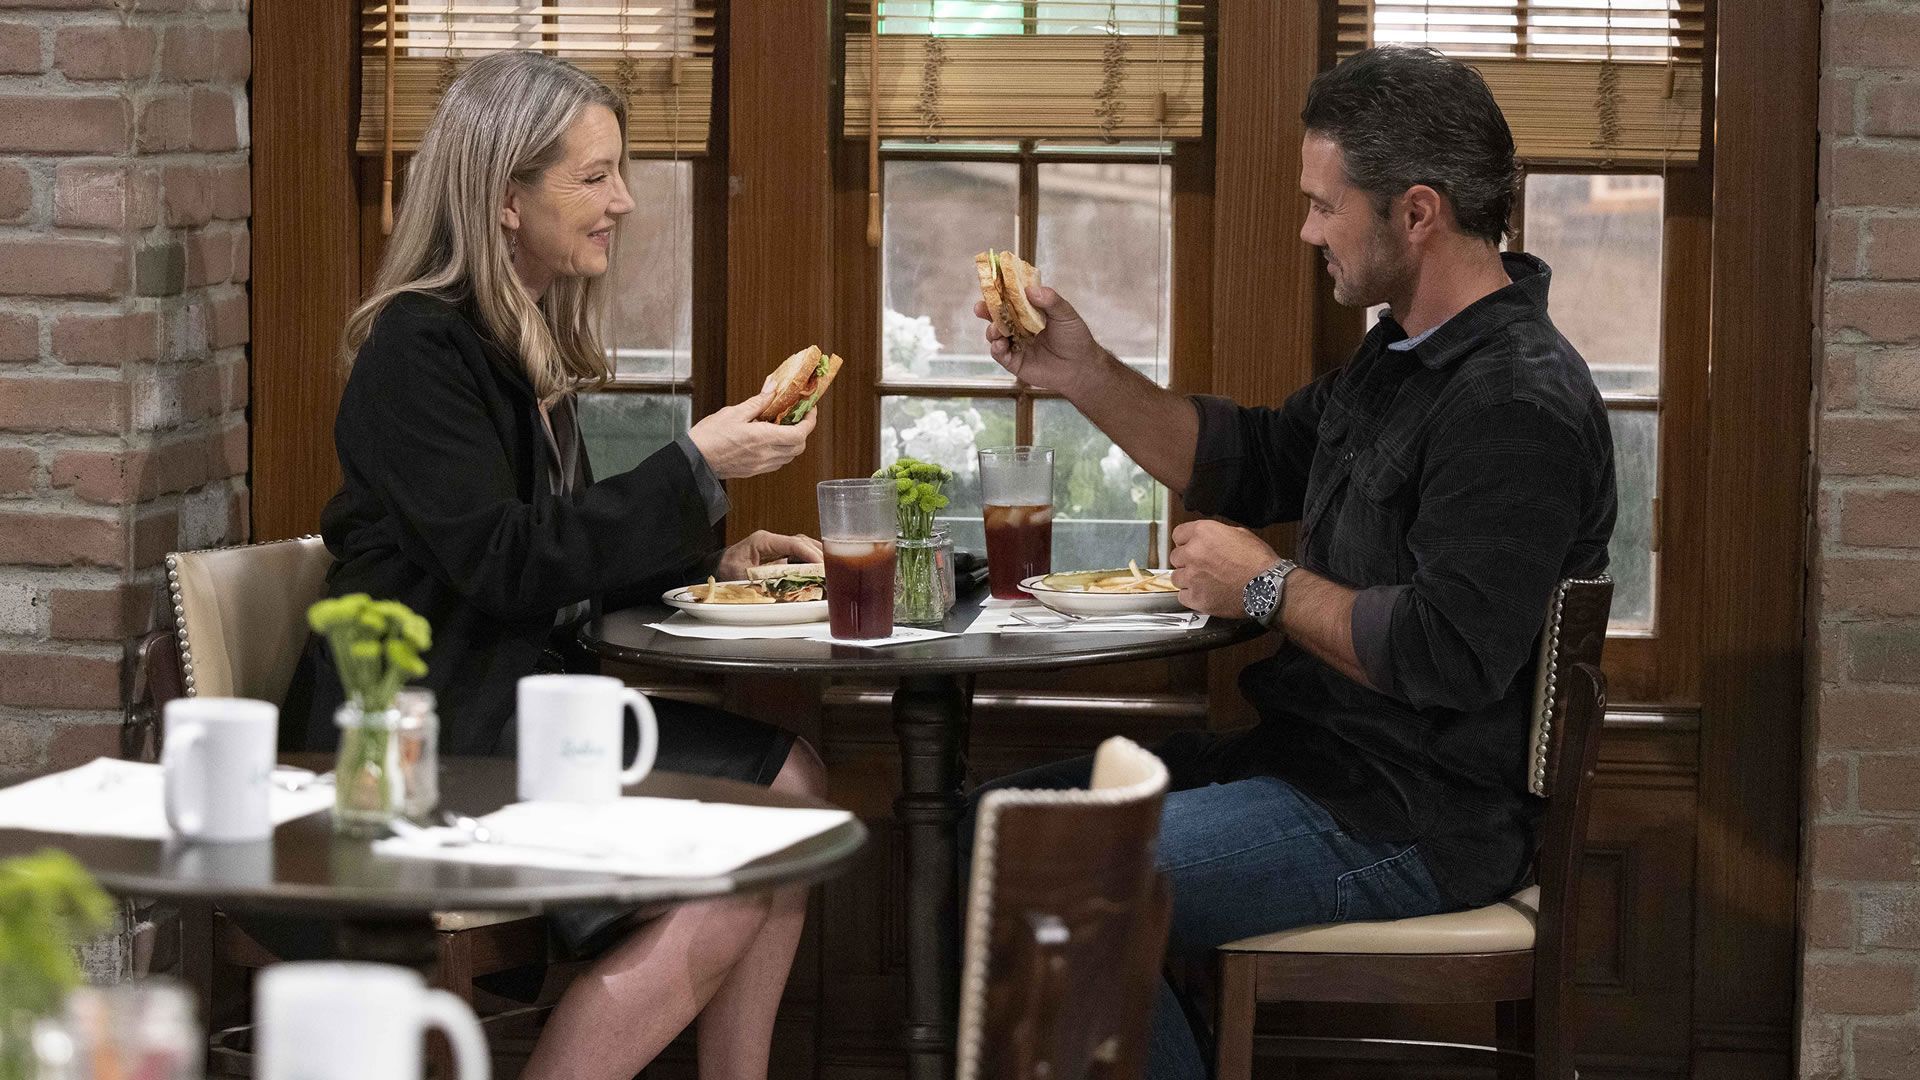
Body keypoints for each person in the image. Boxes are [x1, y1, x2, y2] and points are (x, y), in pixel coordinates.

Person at [968, 46, 1617, 1079]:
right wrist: (1081, 373)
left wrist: (1263, 585)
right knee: (989, 833)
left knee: (1058, 876)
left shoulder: (1515, 404)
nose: (1309, 230)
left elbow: (1447, 654)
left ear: (1417, 212)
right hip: (1310, 767)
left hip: (1408, 818)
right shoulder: (1403, 353)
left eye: (1325, 206)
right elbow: (1251, 458)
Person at [281, 51, 821, 1080]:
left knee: (791, 785)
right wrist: (695, 464)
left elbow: (553, 551)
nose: (623, 202)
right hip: (429, 738)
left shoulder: (515, 339)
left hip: (514, 709)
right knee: (762, 826)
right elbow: (506, 563)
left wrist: (717, 559)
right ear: (504, 199)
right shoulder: (417, 352)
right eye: (594, 176)